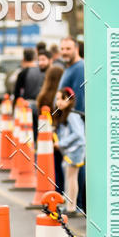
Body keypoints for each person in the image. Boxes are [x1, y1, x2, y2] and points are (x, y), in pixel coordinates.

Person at [53, 87, 85, 217]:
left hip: (75, 150)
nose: (59, 102)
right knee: (70, 178)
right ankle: (69, 204)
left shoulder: (71, 115)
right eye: (57, 99)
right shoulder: (66, 114)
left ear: (70, 100)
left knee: (71, 178)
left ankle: (71, 207)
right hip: (72, 150)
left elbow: (79, 135)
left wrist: (61, 143)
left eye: (62, 98)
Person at [37, 65, 65, 193]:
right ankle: (62, 192)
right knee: (61, 166)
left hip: (46, 136)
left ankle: (52, 191)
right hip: (59, 134)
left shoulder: (43, 97)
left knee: (50, 165)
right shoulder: (60, 97)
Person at [10, 48, 44, 139]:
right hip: (40, 104)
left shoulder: (23, 73)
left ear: (24, 58)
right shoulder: (41, 71)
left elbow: (17, 92)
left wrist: (14, 109)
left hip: (27, 106)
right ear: (34, 57)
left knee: (28, 132)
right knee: (40, 130)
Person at [59, 37, 85, 114]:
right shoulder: (69, 67)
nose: (64, 52)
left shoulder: (80, 68)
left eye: (68, 49)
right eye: (62, 49)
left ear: (76, 49)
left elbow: (79, 98)